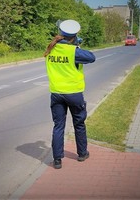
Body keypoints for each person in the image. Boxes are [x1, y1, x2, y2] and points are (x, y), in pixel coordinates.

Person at [43, 19, 96, 169]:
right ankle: (82, 153)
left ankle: (57, 160)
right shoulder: (73, 51)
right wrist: (76, 47)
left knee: (58, 126)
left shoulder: (50, 49)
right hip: (73, 94)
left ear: (61, 34)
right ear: (74, 36)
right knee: (79, 123)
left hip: (56, 93)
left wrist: (73, 45)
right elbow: (91, 57)